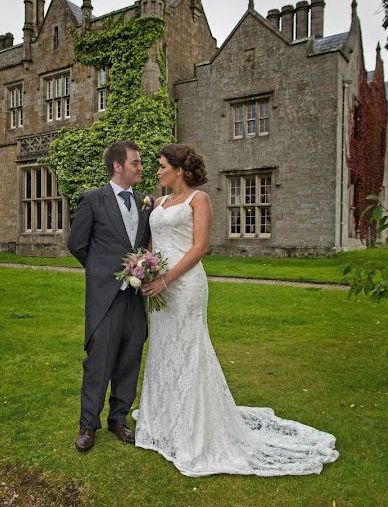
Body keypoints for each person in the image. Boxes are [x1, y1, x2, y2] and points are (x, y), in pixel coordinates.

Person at [134, 143, 339, 477]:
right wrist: (145, 268)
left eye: (161, 166)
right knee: (163, 349)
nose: (157, 172)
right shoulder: (157, 202)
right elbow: (153, 244)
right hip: (160, 288)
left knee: (188, 351)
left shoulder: (198, 200)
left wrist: (166, 279)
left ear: (179, 170)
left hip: (185, 287)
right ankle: (163, 422)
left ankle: (193, 431)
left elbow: (200, 247)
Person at [67, 140, 153, 452]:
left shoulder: (147, 202)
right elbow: (77, 244)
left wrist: (141, 272)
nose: (141, 167)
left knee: (130, 358)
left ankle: (119, 419)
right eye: (136, 162)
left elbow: (145, 242)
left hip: (136, 297)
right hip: (106, 296)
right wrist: (102, 272)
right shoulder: (93, 199)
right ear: (118, 166)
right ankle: (87, 424)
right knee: (99, 362)